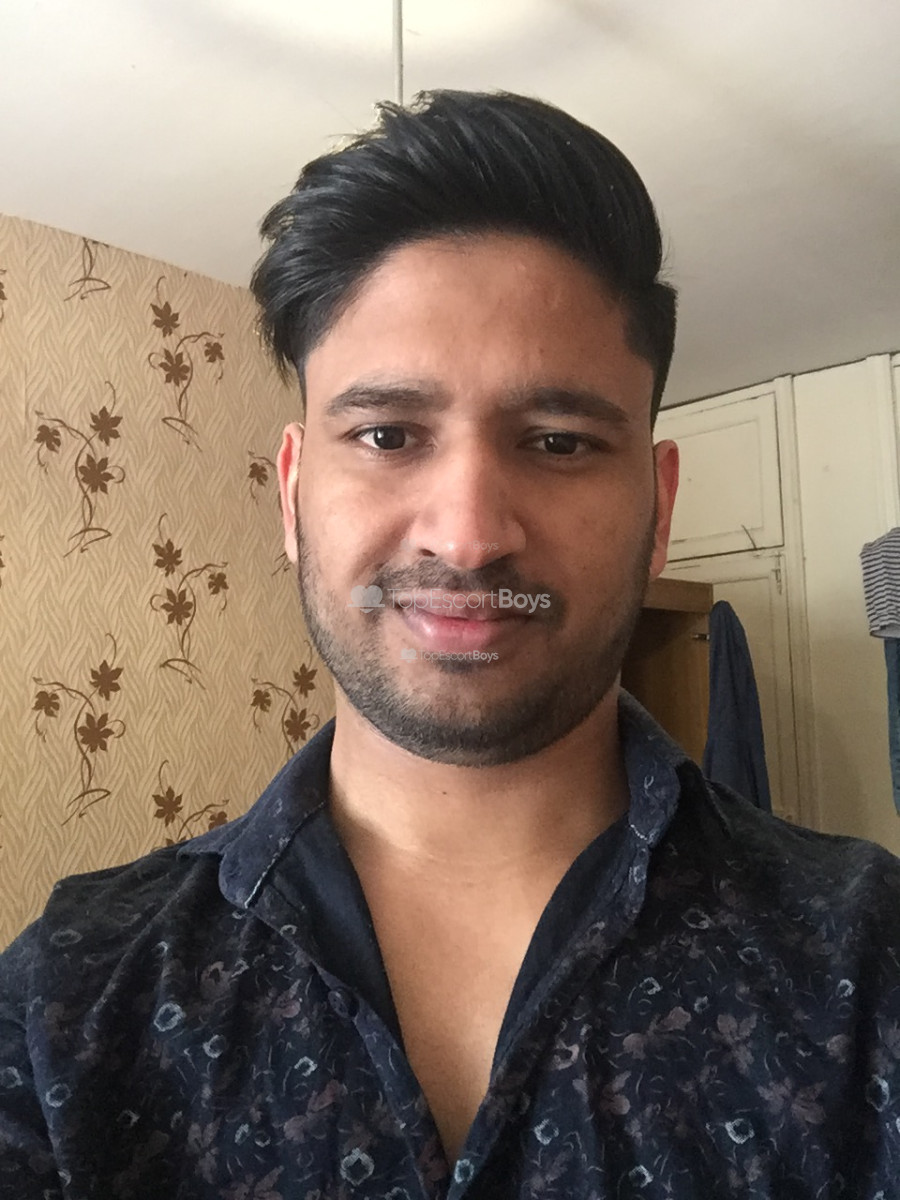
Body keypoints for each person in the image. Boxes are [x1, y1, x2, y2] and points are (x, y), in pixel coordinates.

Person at [1, 89, 899, 1199]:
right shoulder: (71, 999)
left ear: (659, 507)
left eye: (558, 442)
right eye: (387, 434)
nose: (468, 536)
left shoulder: (866, 960)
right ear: (292, 495)